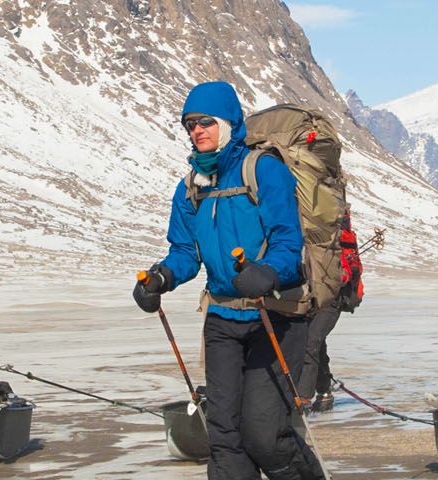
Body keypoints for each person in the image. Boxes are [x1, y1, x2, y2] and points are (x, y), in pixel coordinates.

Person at [132, 81, 325, 480]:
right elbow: (185, 252)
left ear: (227, 122)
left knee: (265, 437)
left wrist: (267, 273)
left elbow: (288, 240)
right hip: (221, 320)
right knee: (223, 439)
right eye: (189, 124)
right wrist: (162, 277)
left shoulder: (263, 169)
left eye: (205, 121)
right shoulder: (190, 187)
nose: (196, 130)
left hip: (275, 316)